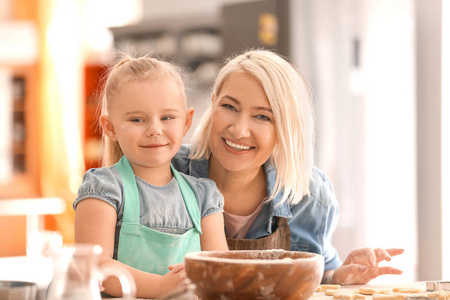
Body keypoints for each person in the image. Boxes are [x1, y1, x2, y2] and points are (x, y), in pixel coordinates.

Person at [171, 49, 404, 285]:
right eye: (230, 107)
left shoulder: (309, 195)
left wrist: (340, 275)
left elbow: (322, 274)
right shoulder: (166, 171)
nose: (239, 130)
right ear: (213, 104)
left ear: (285, 129)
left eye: (262, 117)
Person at [73, 54, 228, 298]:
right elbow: (92, 266)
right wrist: (160, 287)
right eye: (137, 119)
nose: (154, 130)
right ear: (110, 127)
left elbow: (221, 270)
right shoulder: (104, 188)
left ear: (186, 122)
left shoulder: (204, 196)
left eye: (167, 118)